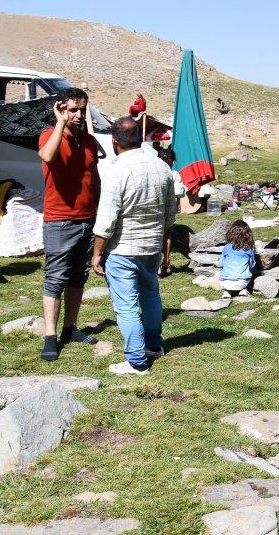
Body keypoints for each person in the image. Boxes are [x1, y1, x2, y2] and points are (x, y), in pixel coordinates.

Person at [91, 116, 176, 375]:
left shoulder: (117, 170)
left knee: (126, 305)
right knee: (150, 295)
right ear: (139, 139)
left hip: (123, 248)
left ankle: (137, 361)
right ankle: (153, 346)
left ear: (115, 142)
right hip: (151, 246)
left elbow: (106, 219)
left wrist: (96, 253)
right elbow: (171, 214)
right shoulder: (162, 167)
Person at [37, 87, 101, 362]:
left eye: (82, 110)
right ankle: (50, 337)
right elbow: (47, 157)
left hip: (87, 219)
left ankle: (70, 328)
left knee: (78, 278)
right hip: (60, 220)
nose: (78, 115)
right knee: (55, 279)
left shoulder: (88, 141)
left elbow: (94, 176)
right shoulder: (48, 136)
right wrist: (60, 123)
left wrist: (99, 211)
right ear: (60, 109)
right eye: (72, 109)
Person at [218, 219, 255, 298]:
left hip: (225, 281)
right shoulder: (248, 248)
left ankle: (227, 292)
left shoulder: (226, 247)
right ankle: (243, 290)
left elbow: (221, 263)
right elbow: (252, 264)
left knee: (221, 273)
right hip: (243, 281)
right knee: (248, 271)